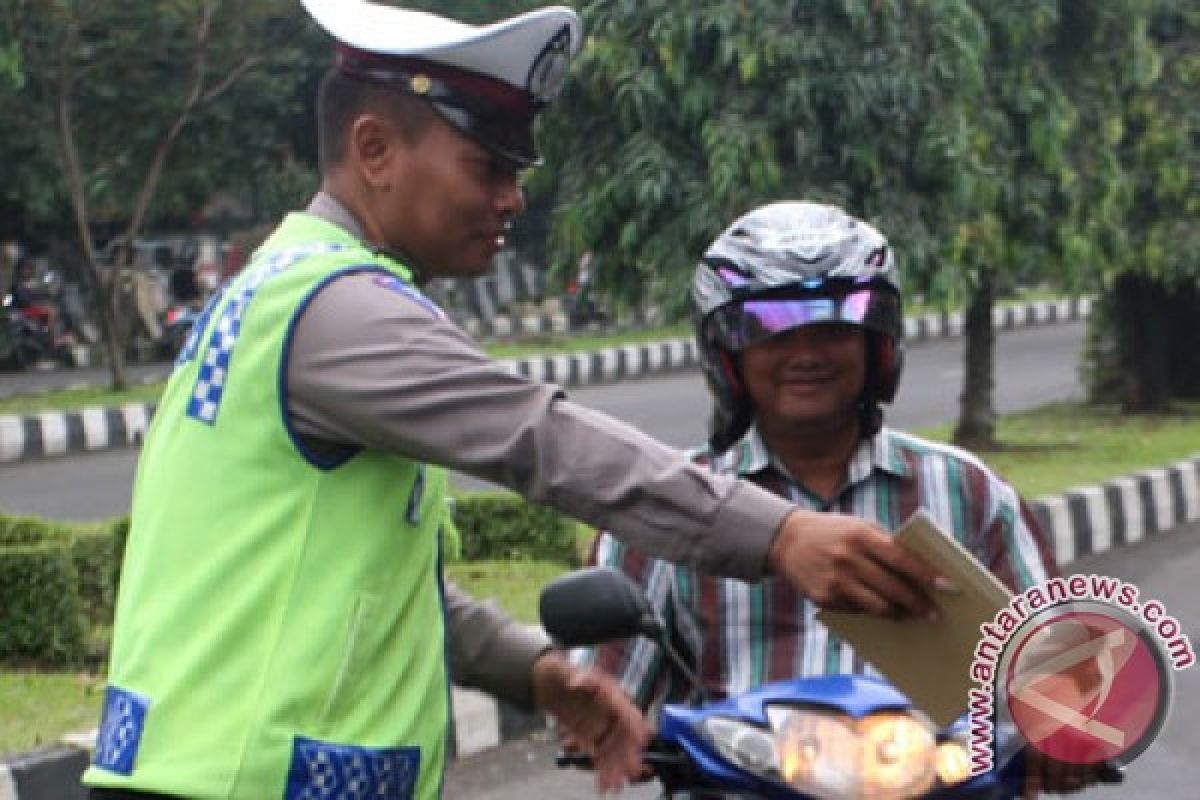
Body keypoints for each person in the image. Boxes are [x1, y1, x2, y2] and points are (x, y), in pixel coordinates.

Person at [83, 2, 948, 798]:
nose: (512, 197)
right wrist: (782, 533)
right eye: (488, 165)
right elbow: (542, 439)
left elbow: (373, 590)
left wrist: (533, 672)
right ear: (376, 150)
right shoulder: (337, 306)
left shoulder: (280, 286)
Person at [580, 201, 1109, 797]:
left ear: (875, 345)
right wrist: (603, 720)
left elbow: (1060, 669)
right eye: (772, 330)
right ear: (728, 351)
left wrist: (1066, 725)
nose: (805, 353)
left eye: (832, 329)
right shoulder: (669, 503)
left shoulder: (970, 493)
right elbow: (601, 686)